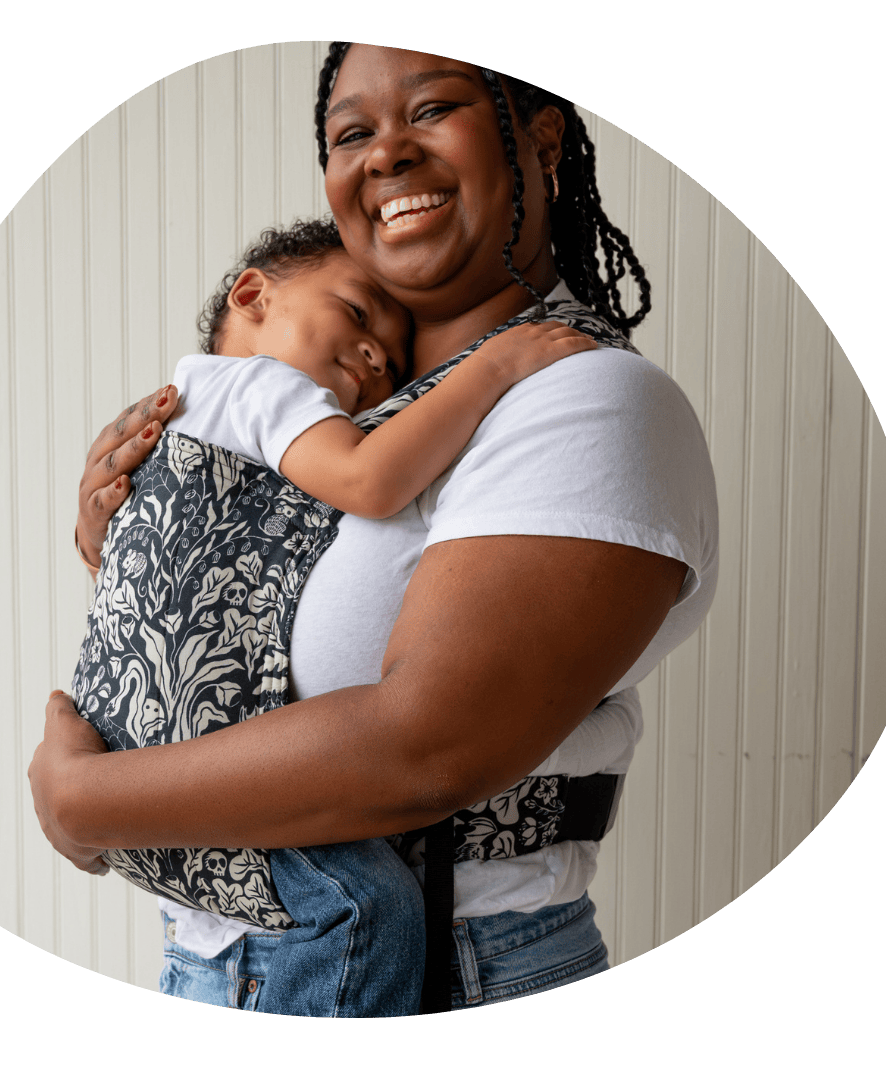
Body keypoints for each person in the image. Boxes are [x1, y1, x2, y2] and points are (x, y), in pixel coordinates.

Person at [30, 43, 719, 1013]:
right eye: (352, 132)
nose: (387, 152)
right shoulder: (333, 405)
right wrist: (130, 532)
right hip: (212, 956)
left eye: (432, 109)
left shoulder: (585, 399)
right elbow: (248, 622)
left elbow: (425, 749)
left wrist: (84, 798)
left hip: (442, 970)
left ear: (541, 139)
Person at [71, 217, 596, 1017]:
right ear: (253, 295)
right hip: (207, 791)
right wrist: (496, 365)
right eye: (355, 313)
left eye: (393, 358)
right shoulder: (260, 387)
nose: (376, 357)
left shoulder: (195, 421)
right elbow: (369, 479)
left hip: (149, 802)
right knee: (367, 903)